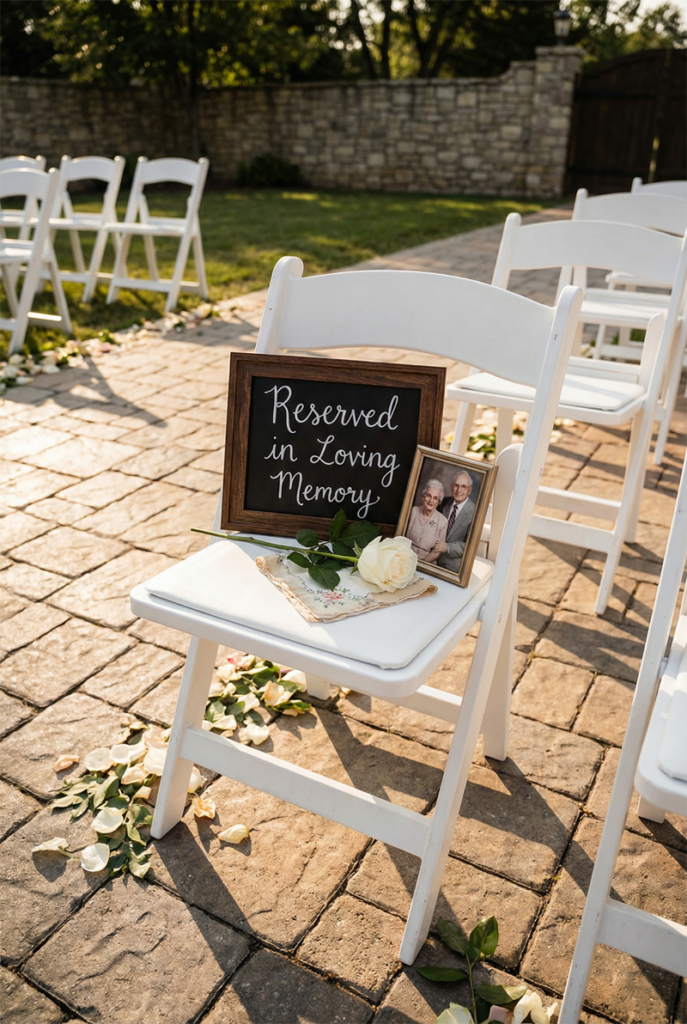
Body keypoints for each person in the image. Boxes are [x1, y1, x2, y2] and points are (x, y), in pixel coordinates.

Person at [435, 470, 476, 574]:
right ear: (451, 486)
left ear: (469, 490)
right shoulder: (443, 502)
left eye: (463, 487)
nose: (459, 490)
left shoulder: (474, 512)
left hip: (453, 567)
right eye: (456, 485)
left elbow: (470, 545)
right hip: (433, 560)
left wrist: (448, 547)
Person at [405, 479, 448, 562]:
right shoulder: (413, 511)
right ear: (423, 496)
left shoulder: (443, 521)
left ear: (438, 501)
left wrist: (422, 563)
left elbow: (437, 552)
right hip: (406, 557)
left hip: (427, 562)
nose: (431, 500)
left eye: (435, 498)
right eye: (428, 495)